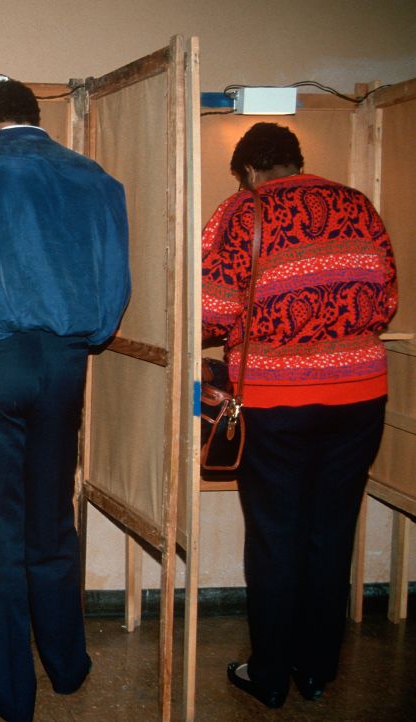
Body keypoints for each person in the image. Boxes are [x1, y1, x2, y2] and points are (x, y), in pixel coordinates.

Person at [0, 79, 130, 722]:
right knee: (51, 515)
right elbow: (113, 289)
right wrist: (82, 336)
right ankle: (67, 667)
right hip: (65, 363)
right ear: (37, 119)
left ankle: (11, 692)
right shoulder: (95, 178)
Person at [201, 122, 397, 709]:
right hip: (360, 396)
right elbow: (386, 299)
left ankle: (268, 675)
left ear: (249, 171)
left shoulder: (243, 212)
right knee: (330, 533)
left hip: (275, 401)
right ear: (296, 160)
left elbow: (213, 312)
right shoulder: (358, 205)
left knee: (275, 538)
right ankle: (315, 671)